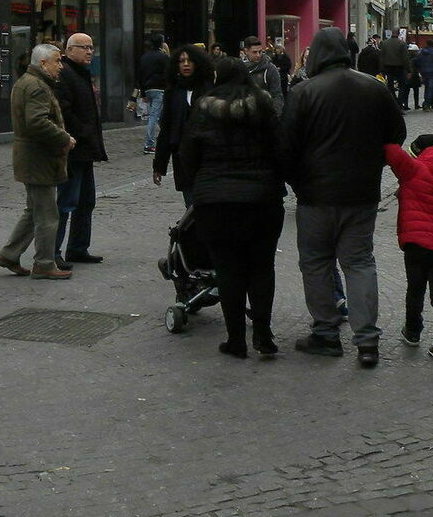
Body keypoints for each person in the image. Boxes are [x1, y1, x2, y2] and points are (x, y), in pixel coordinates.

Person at [278, 26, 407, 365]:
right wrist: (372, 162)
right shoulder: (374, 88)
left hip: (316, 194)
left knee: (316, 262)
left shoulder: (304, 92)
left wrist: (296, 181)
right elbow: (397, 134)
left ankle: (326, 333)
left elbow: (286, 147)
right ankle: (367, 341)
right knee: (360, 262)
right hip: (361, 193)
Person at [178, 57, 285, 359]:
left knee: (228, 269)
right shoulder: (263, 105)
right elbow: (280, 148)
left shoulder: (203, 107)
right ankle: (263, 333)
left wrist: (200, 183)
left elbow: (189, 154)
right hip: (262, 199)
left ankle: (236, 339)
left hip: (216, 201)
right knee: (262, 267)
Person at [0, 43, 75, 280]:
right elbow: (37, 122)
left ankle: (9, 255)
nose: (61, 66)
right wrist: (64, 138)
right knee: (48, 214)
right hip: (38, 159)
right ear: (43, 64)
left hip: (32, 157)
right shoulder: (37, 86)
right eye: (57, 61)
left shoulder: (28, 82)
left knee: (34, 211)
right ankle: (44, 264)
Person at [384, 132, 433, 361]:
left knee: (415, 289)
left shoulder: (414, 170)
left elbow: (391, 151)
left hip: (416, 243)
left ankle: (413, 331)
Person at [53, 33, 107, 267]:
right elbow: (63, 111)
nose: (89, 51)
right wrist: (82, 132)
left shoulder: (83, 74)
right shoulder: (65, 74)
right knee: (66, 202)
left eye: (91, 47)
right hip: (73, 149)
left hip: (85, 150)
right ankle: (53, 251)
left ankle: (77, 248)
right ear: (69, 50)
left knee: (86, 201)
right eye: (83, 47)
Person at [153, 44, 214, 204]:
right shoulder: (173, 92)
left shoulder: (209, 89)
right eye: (182, 61)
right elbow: (166, 128)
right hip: (182, 156)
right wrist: (159, 165)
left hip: (207, 156)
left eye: (189, 61)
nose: (186, 64)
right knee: (191, 205)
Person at [134, 34, 169, 154]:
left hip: (148, 89)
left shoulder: (144, 57)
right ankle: (149, 144)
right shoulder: (163, 57)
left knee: (158, 115)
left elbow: (140, 75)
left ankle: (167, 136)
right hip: (159, 89)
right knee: (154, 116)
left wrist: (143, 92)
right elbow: (168, 74)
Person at [240, 36, 284, 116]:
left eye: (260, 51)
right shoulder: (239, 68)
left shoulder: (270, 69)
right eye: (254, 52)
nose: (258, 55)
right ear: (246, 51)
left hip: (265, 117)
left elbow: (277, 95)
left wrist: (275, 116)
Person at [378, 29, 410, 106]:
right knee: (402, 85)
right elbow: (405, 58)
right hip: (400, 67)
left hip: (388, 67)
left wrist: (381, 70)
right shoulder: (402, 43)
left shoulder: (385, 43)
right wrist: (408, 70)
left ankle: (394, 100)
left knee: (390, 85)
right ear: (398, 34)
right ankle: (399, 102)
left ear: (392, 33)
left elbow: (382, 57)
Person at [416, 40, 433, 109]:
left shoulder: (421, 52)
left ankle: (426, 102)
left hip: (424, 72)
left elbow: (418, 61)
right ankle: (427, 103)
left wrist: (420, 70)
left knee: (427, 87)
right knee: (431, 88)